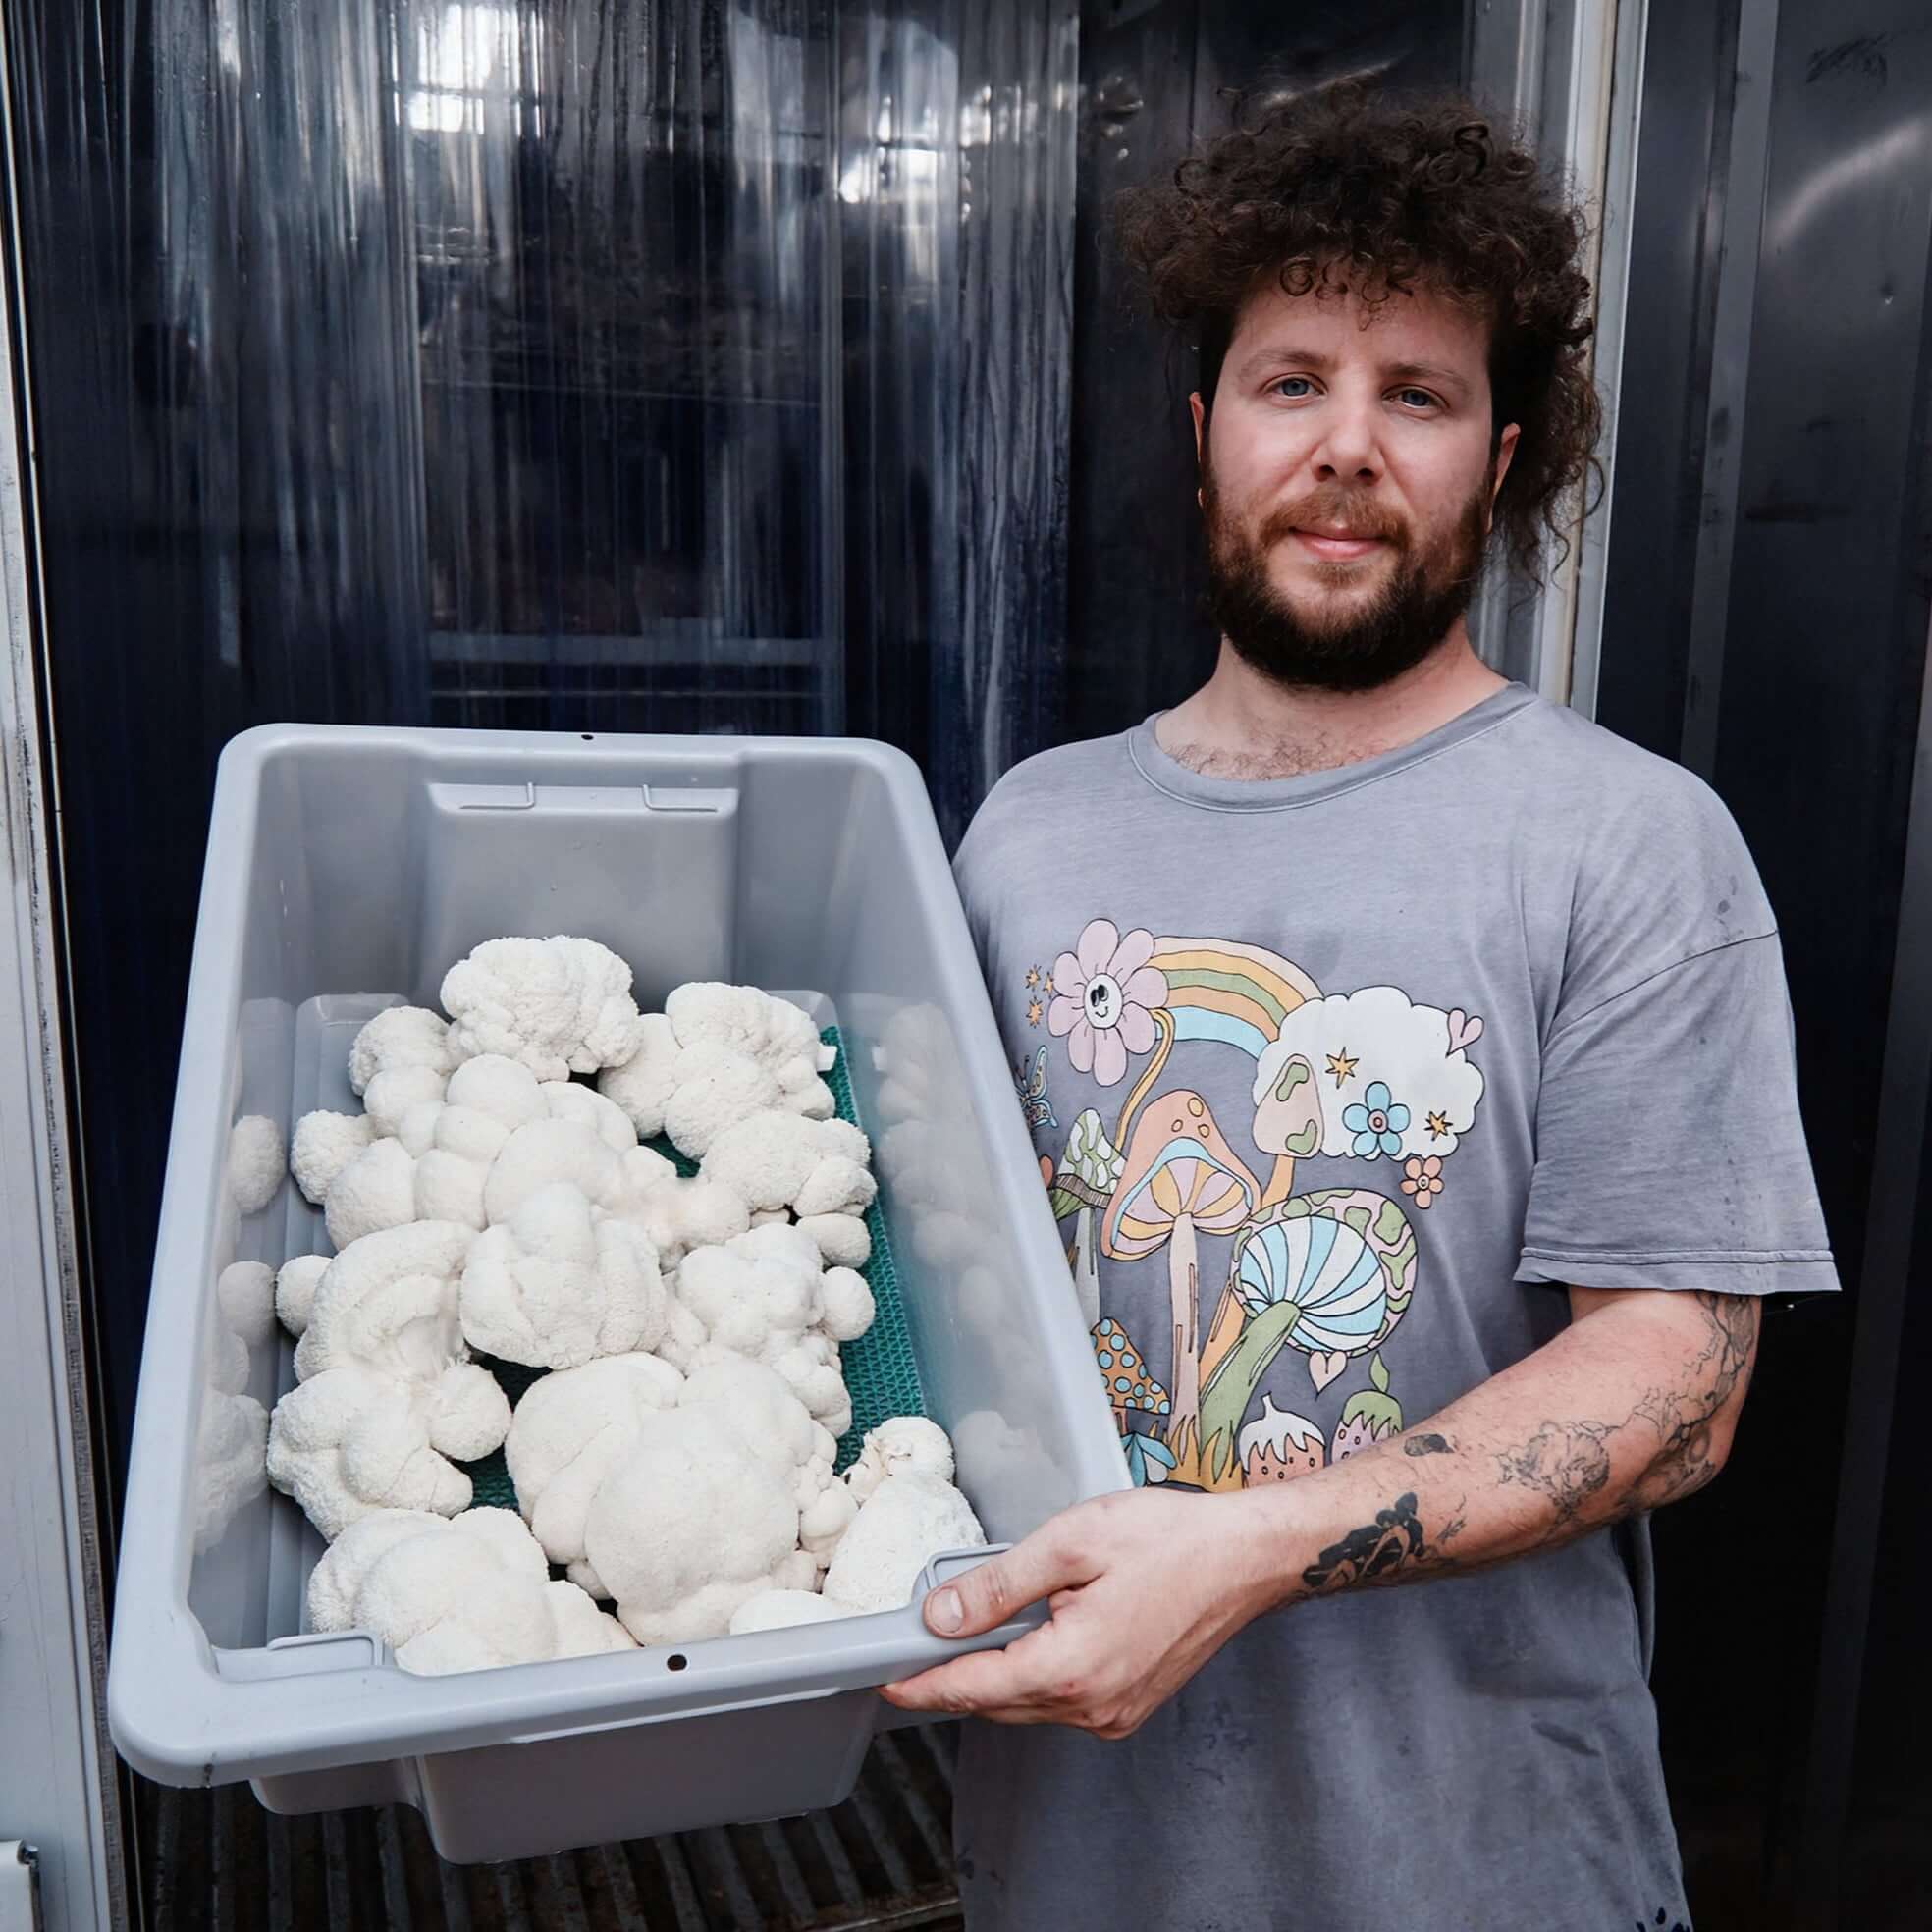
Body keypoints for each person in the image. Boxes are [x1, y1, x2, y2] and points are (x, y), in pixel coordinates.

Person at [880, 84, 1837, 1930]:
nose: (1346, 446)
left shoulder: (1632, 845)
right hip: (1068, 1862)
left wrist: (1242, 1550)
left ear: (1500, 455)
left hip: (1478, 1871)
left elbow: (1680, 1384)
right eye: (1291, 379)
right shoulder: (1028, 828)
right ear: (1206, 428)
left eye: (1418, 394)